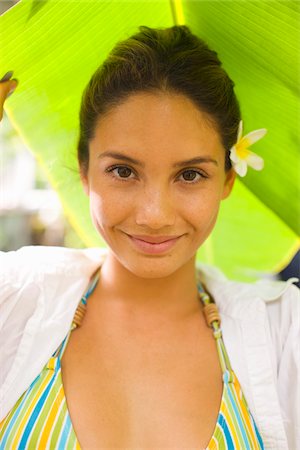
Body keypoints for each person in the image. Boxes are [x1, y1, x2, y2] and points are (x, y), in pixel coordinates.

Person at [0, 25, 299, 450]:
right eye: (123, 171)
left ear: (228, 179)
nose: (154, 215)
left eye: (190, 174)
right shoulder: (12, 304)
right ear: (84, 171)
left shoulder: (285, 340)